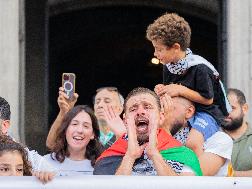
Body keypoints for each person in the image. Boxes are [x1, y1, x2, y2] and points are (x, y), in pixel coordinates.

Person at [146, 13, 231, 157]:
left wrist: (180, 90)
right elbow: (172, 92)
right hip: (185, 111)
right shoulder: (168, 66)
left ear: (175, 47)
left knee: (192, 142)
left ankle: (196, 174)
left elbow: (208, 99)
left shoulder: (200, 68)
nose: (155, 53)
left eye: (159, 49)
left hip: (207, 113)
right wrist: (163, 89)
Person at [93, 87, 202, 176]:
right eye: (133, 109)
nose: (140, 112)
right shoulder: (109, 156)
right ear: (125, 120)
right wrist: (130, 156)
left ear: (161, 117)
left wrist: (155, 154)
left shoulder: (182, 154)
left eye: (147, 107)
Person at [161, 94, 233, 176]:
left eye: (169, 107)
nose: (162, 112)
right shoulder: (150, 136)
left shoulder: (220, 139)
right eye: (161, 107)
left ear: (189, 112)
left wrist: (165, 130)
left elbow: (192, 180)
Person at [46, 87, 125, 150]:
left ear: (120, 109)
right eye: (97, 102)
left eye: (107, 101)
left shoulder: (129, 132)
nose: (100, 105)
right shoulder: (84, 130)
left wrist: (122, 135)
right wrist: (64, 111)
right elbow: (51, 144)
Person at [0, 96, 55, 173]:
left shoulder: (33, 161)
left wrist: (42, 180)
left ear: (5, 125)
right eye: (4, 169)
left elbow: (57, 180)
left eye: (19, 169)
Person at [44, 105, 103, 176]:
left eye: (86, 126)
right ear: (65, 130)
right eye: (74, 124)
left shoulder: (102, 165)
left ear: (93, 134)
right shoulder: (45, 163)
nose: (80, 130)